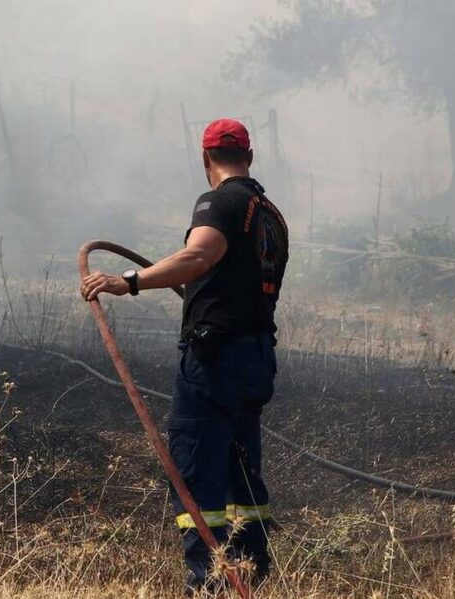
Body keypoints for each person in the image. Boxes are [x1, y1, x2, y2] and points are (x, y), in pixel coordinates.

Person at [80, 118, 289, 593]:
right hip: (255, 357)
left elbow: (199, 256)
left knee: (196, 470)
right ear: (250, 157)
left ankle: (208, 583)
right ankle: (250, 573)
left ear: (205, 158)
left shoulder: (218, 203)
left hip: (215, 360)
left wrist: (128, 282)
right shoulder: (271, 214)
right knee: (241, 470)